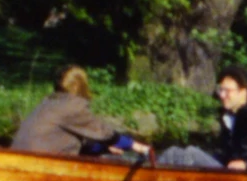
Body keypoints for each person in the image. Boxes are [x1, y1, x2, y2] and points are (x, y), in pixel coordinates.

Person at [157, 65, 247, 171]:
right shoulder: (228, 117)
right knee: (173, 152)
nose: (222, 95)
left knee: (191, 154)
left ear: (243, 92)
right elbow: (224, 153)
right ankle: (147, 178)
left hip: (246, 175)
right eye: (221, 90)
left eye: (227, 91)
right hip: (226, 170)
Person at [10, 65, 151, 160]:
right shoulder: (72, 106)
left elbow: (75, 142)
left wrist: (103, 148)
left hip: (21, 158)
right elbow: (105, 133)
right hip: (42, 164)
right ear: (81, 86)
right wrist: (132, 144)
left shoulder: (47, 103)